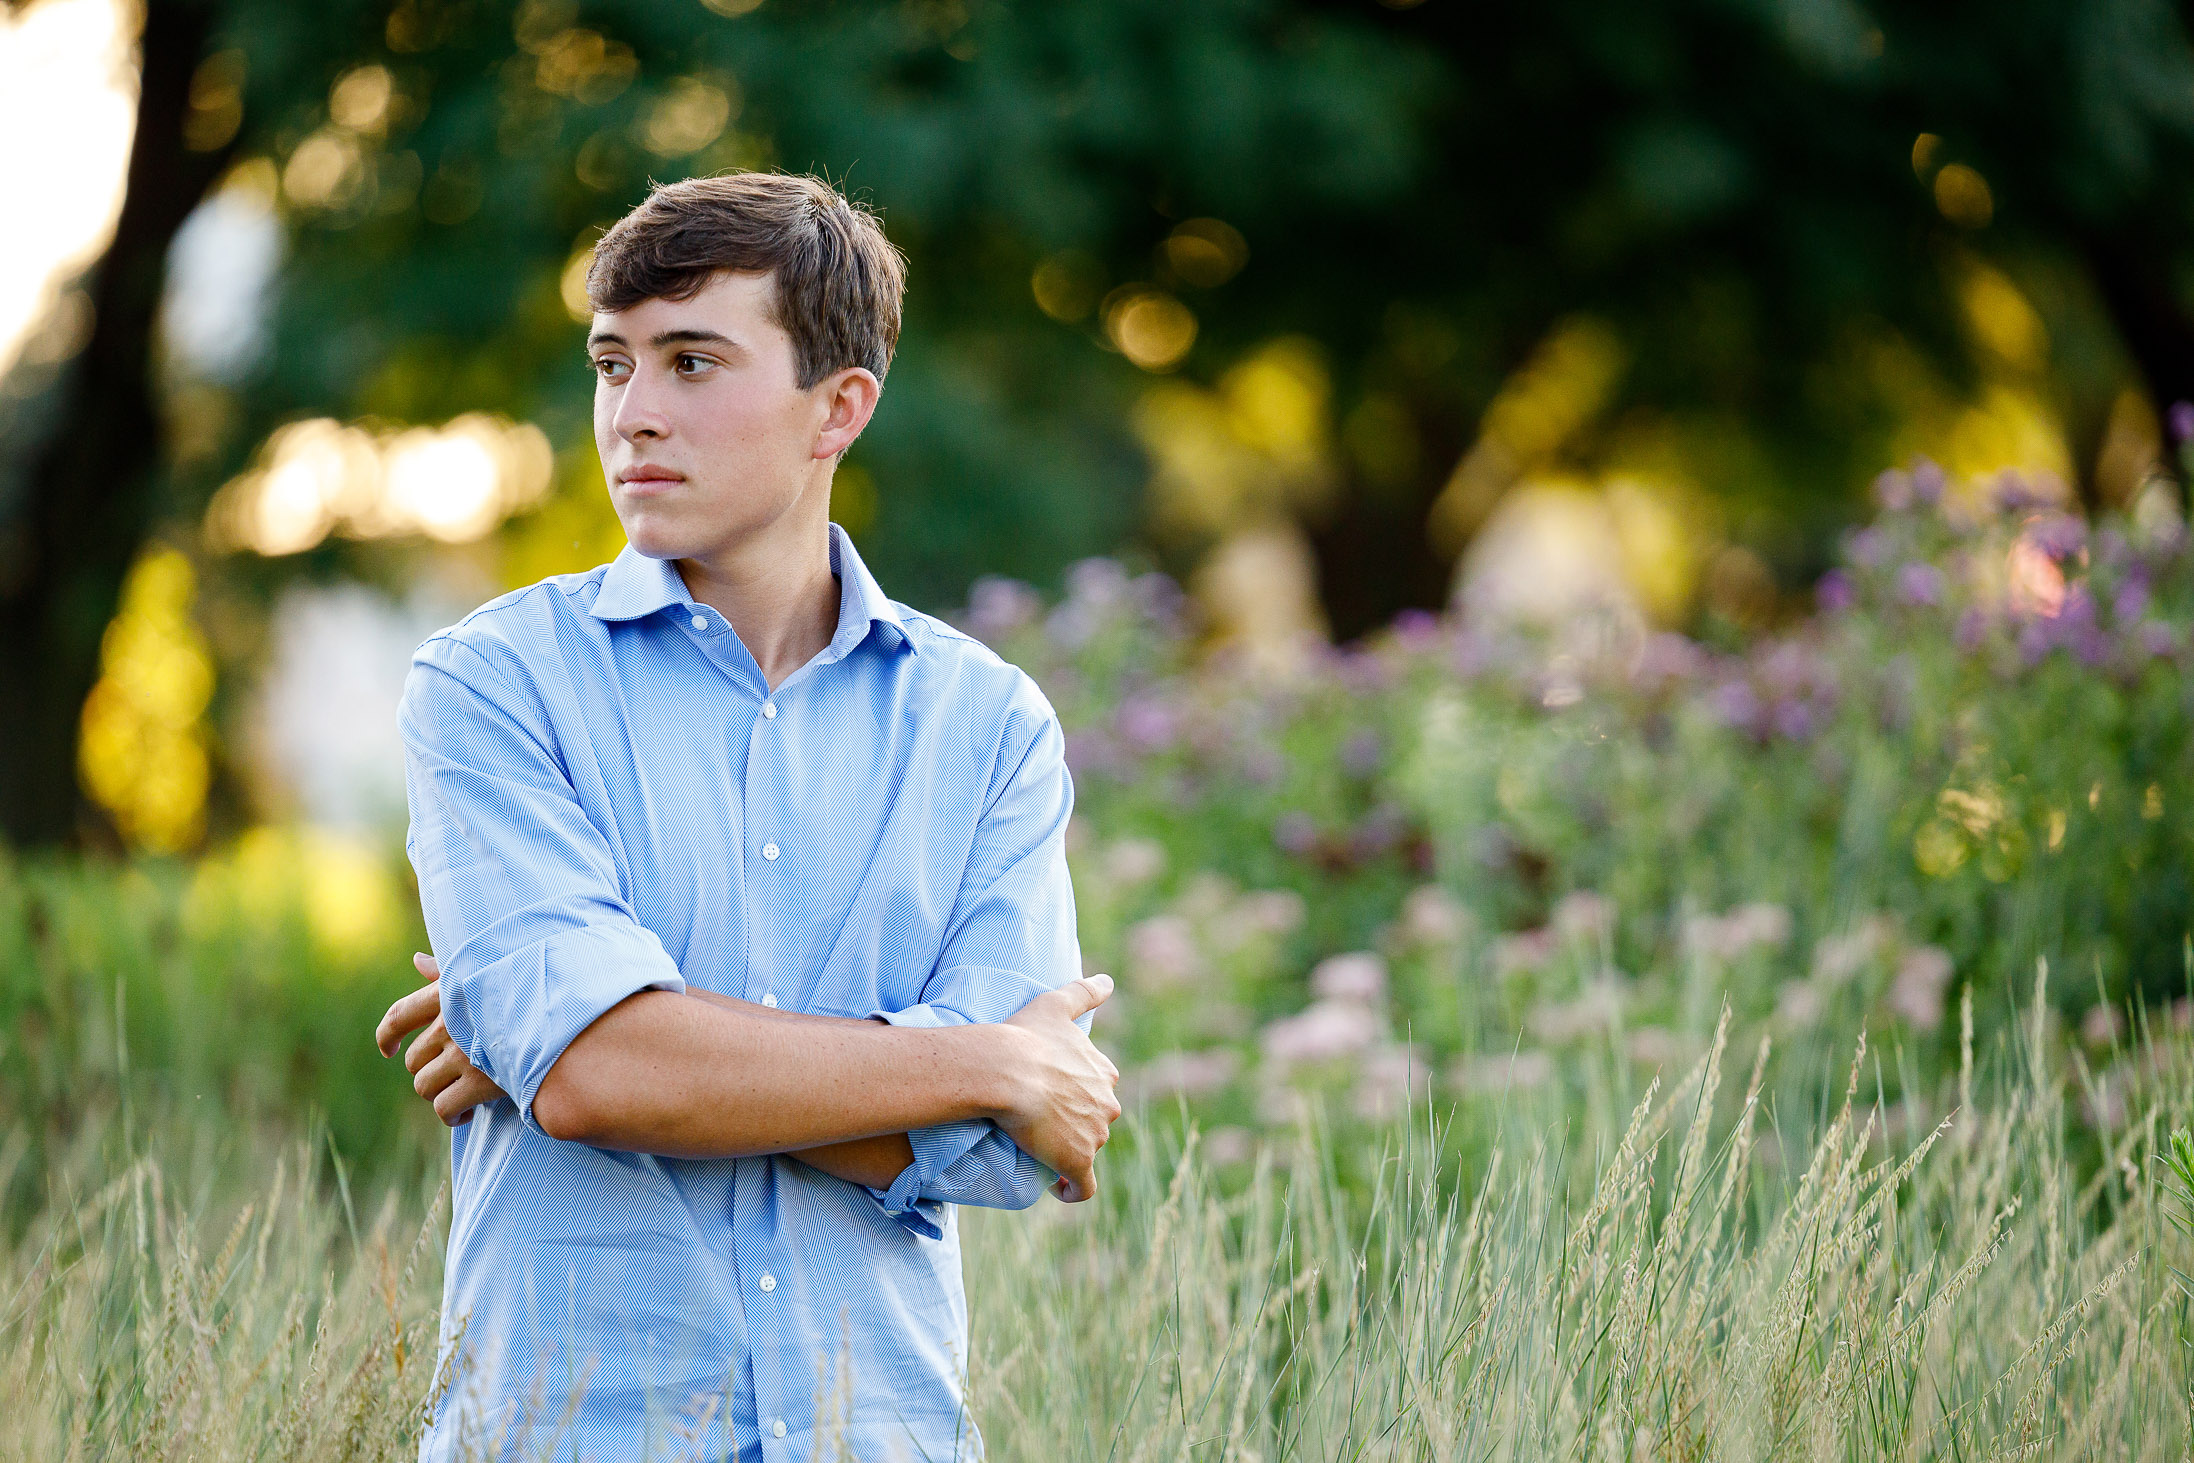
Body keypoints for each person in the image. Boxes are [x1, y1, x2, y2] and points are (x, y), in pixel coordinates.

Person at [372, 170, 1122, 1463]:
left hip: (874, 1434)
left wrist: (581, 1038)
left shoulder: (986, 727)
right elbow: (604, 1075)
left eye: (693, 362)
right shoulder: (492, 686)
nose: (633, 414)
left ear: (838, 407)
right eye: (613, 364)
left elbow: (1008, 1161)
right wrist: (987, 1063)